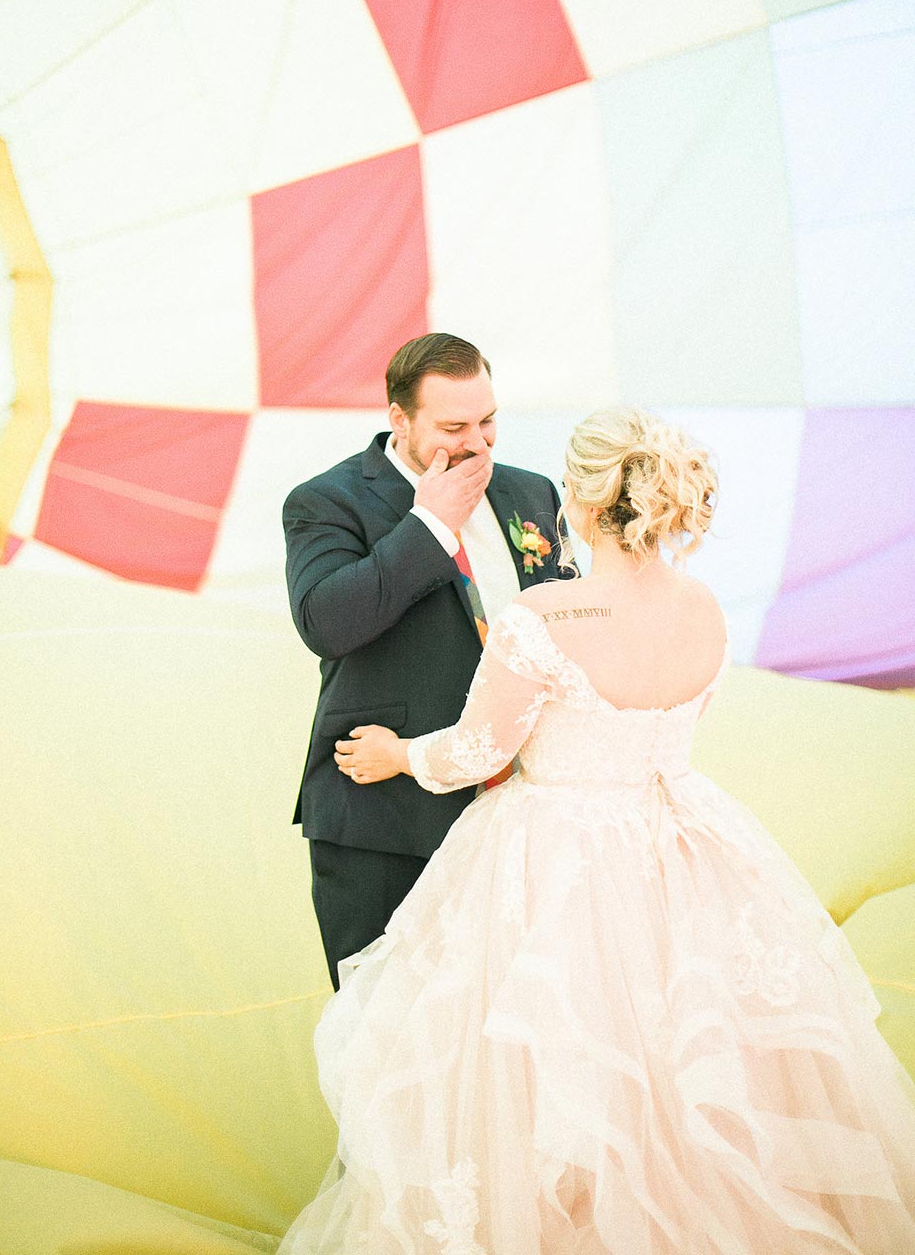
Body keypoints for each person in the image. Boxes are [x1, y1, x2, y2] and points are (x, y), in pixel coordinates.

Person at [277, 406, 915, 1254]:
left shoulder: (545, 616)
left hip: (555, 856)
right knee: (688, 1063)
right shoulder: (706, 611)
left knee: (552, 1070)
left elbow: (477, 750)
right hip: (681, 846)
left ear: (578, 503)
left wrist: (399, 754)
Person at [283, 333, 562, 990]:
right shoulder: (327, 501)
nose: (478, 444)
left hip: (524, 815)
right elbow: (327, 623)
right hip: (386, 819)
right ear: (400, 420)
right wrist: (429, 528)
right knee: (385, 1036)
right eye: (453, 427)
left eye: (488, 422)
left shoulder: (532, 496)